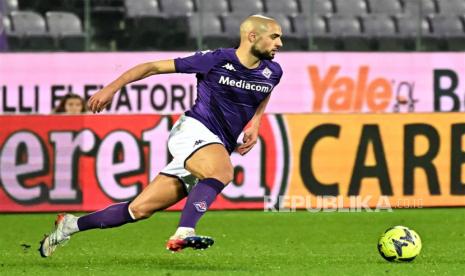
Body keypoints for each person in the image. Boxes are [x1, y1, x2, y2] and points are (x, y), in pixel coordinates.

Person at [39, 14, 283, 257]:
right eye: (274, 37)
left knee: (138, 210)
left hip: (214, 145)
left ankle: (70, 225)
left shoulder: (273, 71)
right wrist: (112, 88)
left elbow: (265, 91)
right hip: (194, 130)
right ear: (252, 36)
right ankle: (184, 232)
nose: (279, 43)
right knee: (222, 171)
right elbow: (152, 67)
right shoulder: (215, 60)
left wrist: (256, 122)